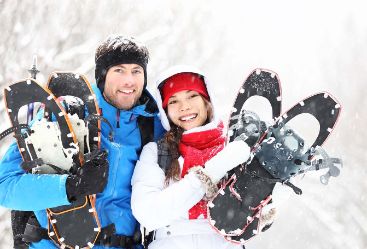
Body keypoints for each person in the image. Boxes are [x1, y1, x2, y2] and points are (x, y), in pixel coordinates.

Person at [0, 35, 164, 249]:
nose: (129, 81)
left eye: (136, 71)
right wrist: (70, 187)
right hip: (56, 244)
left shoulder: (152, 125)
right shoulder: (64, 114)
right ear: (102, 76)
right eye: (119, 70)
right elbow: (6, 187)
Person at [131, 66, 252, 249]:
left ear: (207, 101)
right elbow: (148, 214)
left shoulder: (232, 146)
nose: (184, 106)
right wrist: (210, 173)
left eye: (192, 96)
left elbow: (255, 215)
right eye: (173, 101)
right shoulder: (158, 152)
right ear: (165, 111)